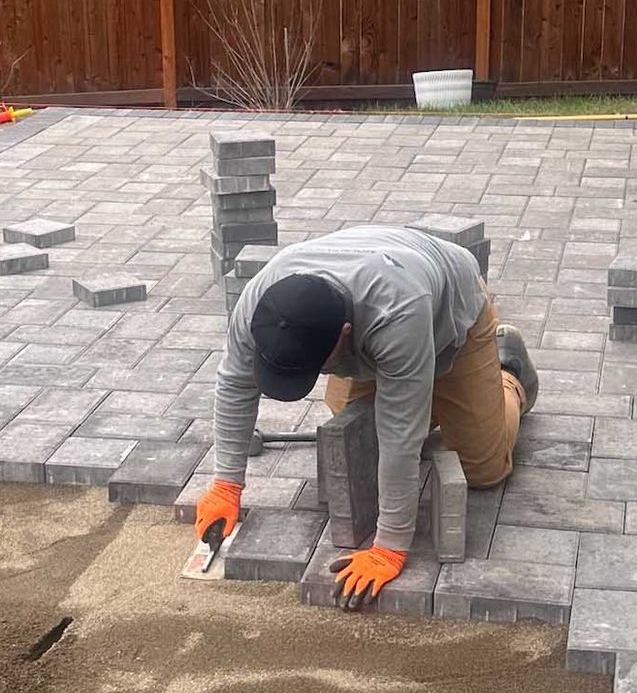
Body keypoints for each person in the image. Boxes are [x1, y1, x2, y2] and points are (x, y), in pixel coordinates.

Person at [194, 225, 539, 609]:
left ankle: (508, 372)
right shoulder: (263, 302)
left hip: (451, 312)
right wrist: (226, 485)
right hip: (384, 306)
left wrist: (389, 545)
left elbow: (399, 436)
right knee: (355, 439)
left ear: (344, 334)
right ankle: (428, 394)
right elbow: (234, 384)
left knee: (483, 468)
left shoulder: (396, 310)